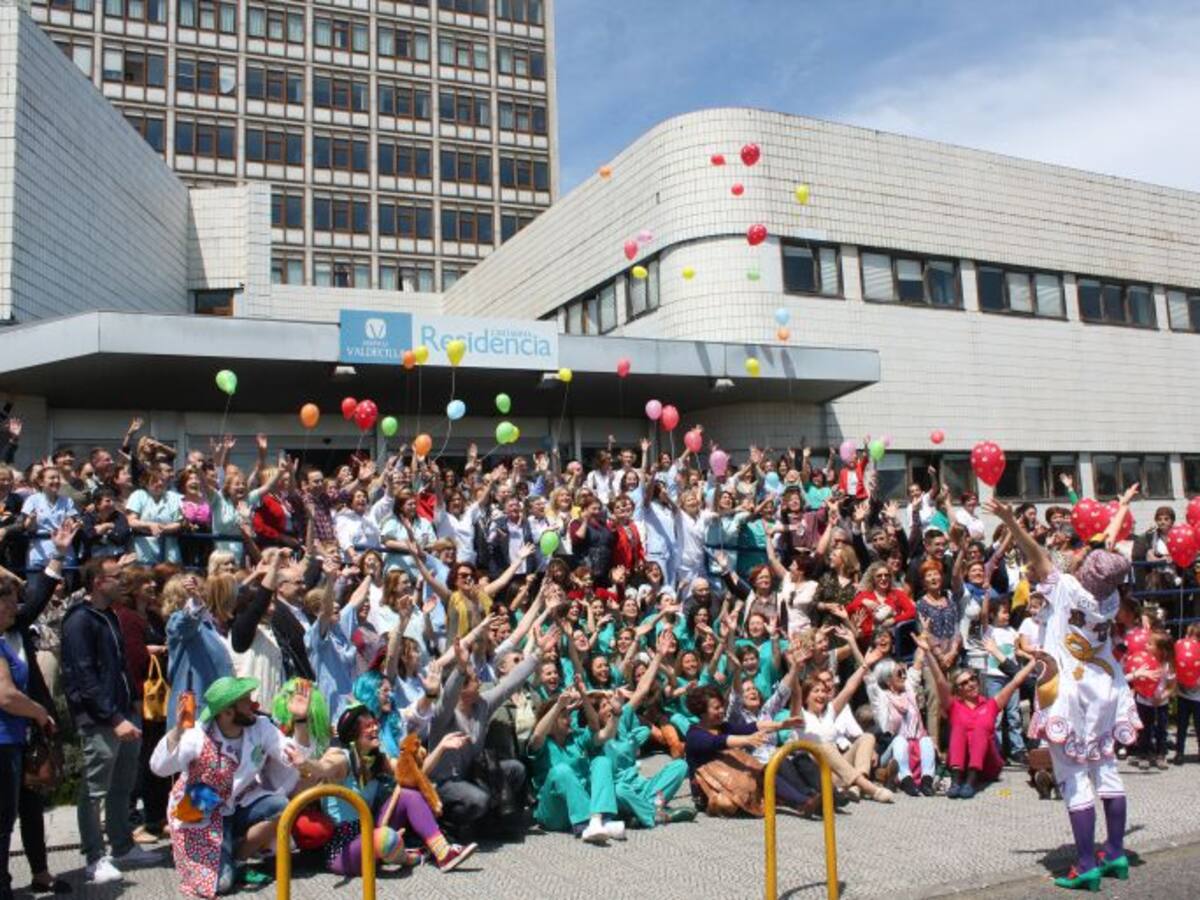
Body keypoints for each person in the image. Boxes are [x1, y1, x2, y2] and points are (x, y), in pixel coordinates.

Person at [987, 491, 1140, 891]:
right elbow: (1106, 547)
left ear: (1086, 570)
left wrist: (1011, 522)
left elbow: (1035, 553)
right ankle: (1116, 851)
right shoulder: (1111, 596)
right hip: (1107, 689)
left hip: (1071, 693)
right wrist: (1122, 506)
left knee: (1074, 776)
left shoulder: (1066, 586)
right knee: (1106, 769)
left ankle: (1086, 863)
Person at [61, 556, 164, 884]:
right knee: (95, 790)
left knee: (122, 784)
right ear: (97, 582)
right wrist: (113, 717)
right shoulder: (79, 620)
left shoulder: (110, 616)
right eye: (115, 576)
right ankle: (94, 856)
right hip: (101, 718)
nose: (122, 581)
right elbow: (85, 676)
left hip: (124, 711)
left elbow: (119, 664)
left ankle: (122, 845)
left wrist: (132, 702)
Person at [150, 676, 300, 896]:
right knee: (221, 885)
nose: (254, 705)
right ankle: (218, 853)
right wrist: (177, 731)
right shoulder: (197, 736)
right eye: (246, 701)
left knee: (281, 806)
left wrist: (301, 724)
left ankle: (237, 857)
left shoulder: (260, 727)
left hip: (238, 804)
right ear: (227, 712)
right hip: (201, 813)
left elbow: (288, 751)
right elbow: (159, 767)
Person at [0, 524, 74, 900]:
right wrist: (37, 712)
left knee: (30, 805)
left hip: (23, 734)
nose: (17, 605)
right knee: (2, 818)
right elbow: (5, 695)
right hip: (7, 733)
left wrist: (58, 554)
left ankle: (40, 872)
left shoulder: (15, 627)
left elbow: (40, 593)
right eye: (10, 599)